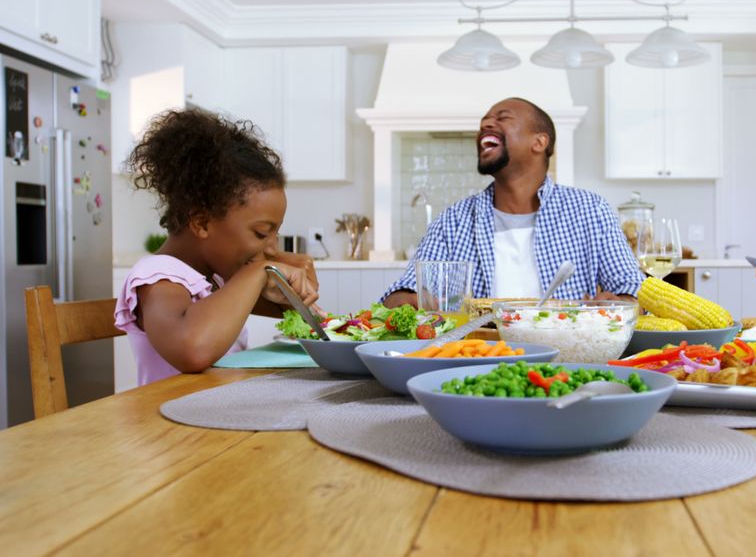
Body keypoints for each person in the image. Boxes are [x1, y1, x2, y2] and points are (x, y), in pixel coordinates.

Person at [115, 109, 320, 385]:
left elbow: (294, 316)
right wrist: (260, 271)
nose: (272, 248)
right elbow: (192, 349)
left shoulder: (216, 278)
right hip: (168, 425)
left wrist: (294, 290)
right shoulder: (159, 277)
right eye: (261, 233)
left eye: (275, 234)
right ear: (201, 222)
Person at [382, 97, 644, 307]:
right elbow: (400, 296)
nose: (486, 124)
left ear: (539, 142)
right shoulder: (455, 219)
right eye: (484, 121)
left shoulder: (589, 210)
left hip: (566, 360)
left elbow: (633, 291)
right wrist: (415, 304)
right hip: (479, 357)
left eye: (502, 118)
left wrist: (617, 304)